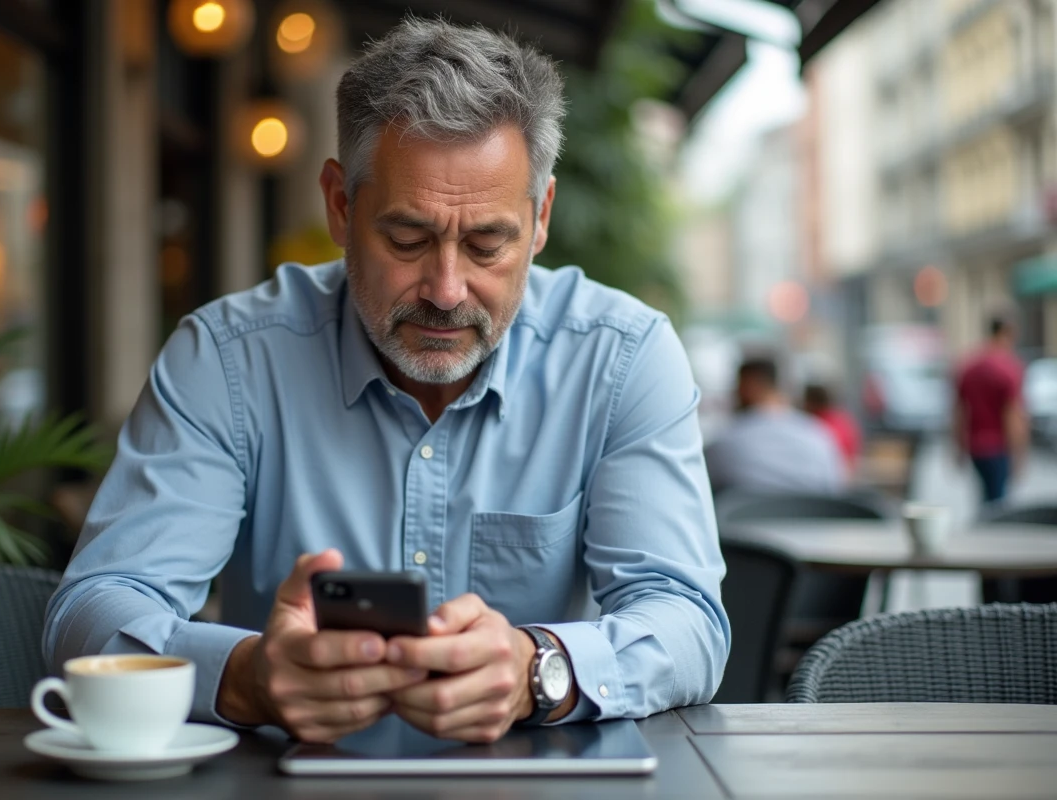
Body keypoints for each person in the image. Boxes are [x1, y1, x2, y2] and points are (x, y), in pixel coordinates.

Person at [44, 18, 728, 746]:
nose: (445, 288)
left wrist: (538, 666)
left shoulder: (621, 358)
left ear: (541, 219)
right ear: (340, 205)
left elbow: (686, 621)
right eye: (408, 239)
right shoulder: (227, 360)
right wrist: (249, 676)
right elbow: (94, 612)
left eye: (487, 243)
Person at [704, 358, 845, 496]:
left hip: (746, 518)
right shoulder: (819, 435)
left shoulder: (725, 443)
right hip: (815, 517)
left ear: (749, 385)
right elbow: (834, 487)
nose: (733, 394)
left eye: (737, 386)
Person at [954, 314, 1028, 504]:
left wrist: (957, 446)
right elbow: (1012, 416)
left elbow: (959, 410)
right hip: (998, 446)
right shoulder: (1008, 367)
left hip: (975, 446)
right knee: (998, 503)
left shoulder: (969, 365)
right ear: (1007, 333)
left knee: (986, 497)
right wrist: (1019, 455)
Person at [803, 383, 863, 477]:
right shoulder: (844, 420)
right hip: (849, 474)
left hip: (831, 475)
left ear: (809, 403)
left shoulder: (815, 426)